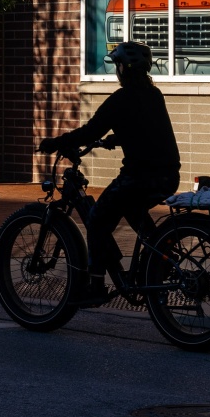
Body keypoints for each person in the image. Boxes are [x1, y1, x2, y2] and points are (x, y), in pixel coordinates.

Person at [37, 41, 182, 304]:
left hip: (139, 177)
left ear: (124, 69)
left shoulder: (121, 99)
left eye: (117, 66)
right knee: (131, 209)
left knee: (96, 220)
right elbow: (145, 127)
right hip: (168, 175)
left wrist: (56, 143)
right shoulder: (153, 94)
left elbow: (90, 131)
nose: (116, 71)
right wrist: (117, 138)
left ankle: (95, 286)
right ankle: (157, 262)